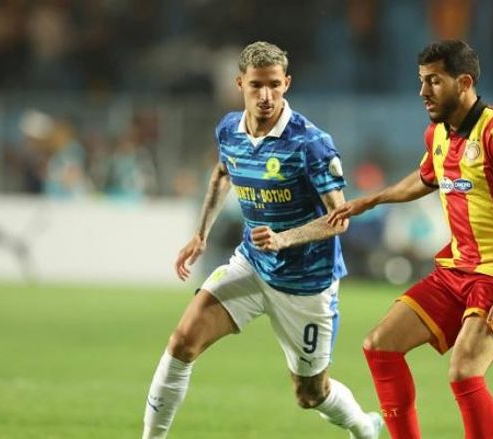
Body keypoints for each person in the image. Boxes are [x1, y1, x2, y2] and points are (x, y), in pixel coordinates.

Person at [141, 41, 382, 439]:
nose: (266, 95)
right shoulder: (229, 130)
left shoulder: (310, 143)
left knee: (310, 394)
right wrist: (200, 234)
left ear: (287, 83)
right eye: (256, 85)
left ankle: (364, 427)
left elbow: (339, 219)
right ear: (240, 84)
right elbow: (223, 173)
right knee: (183, 341)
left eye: (274, 84)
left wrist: (284, 239)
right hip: (252, 265)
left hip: (306, 284)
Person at [328, 40, 493, 439]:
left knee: (464, 371)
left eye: (434, 81)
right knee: (380, 345)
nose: (423, 91)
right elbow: (426, 178)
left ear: (464, 82)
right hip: (457, 269)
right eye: (421, 80)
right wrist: (373, 200)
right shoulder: (438, 133)